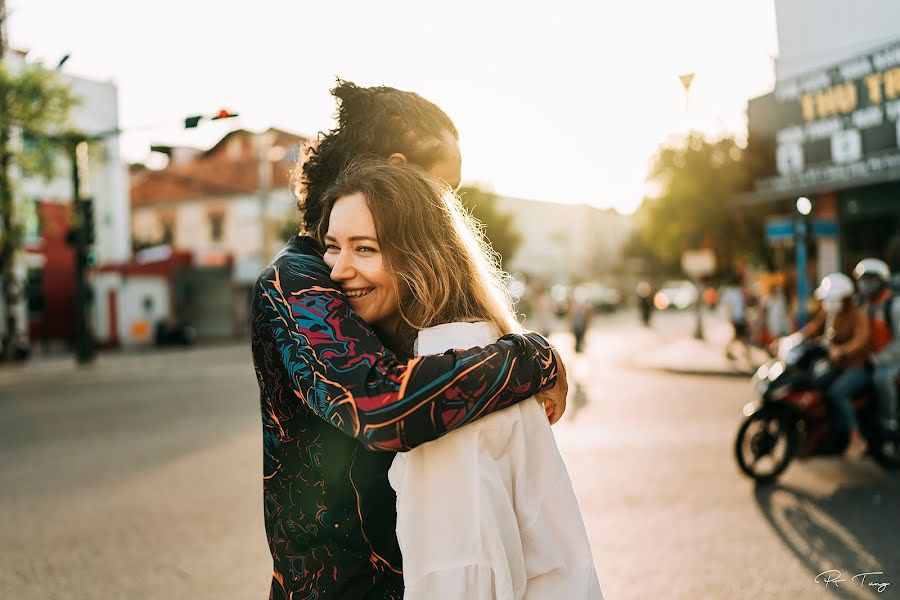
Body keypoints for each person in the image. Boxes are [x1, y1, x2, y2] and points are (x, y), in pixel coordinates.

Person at [251, 81, 568, 598]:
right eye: (443, 190)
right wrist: (533, 357)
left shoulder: (402, 288)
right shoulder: (297, 281)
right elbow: (377, 405)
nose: (448, 211)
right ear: (398, 171)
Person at [317, 158, 602, 599]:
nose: (337, 269)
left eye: (365, 248)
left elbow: (459, 578)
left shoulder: (447, 393)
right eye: (333, 245)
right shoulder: (486, 352)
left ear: (420, 260)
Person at [802, 273, 871, 460]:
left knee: (837, 393)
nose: (829, 303)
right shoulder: (830, 312)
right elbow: (813, 328)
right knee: (813, 383)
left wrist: (842, 350)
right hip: (835, 366)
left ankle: (856, 439)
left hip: (857, 368)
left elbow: (861, 340)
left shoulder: (858, 315)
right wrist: (793, 340)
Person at [853, 258, 900, 437]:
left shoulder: (894, 306)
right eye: (863, 280)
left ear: (882, 281)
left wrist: (877, 359)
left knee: (882, 378)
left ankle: (890, 424)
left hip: (892, 360)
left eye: (871, 280)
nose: (866, 285)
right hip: (872, 358)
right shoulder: (865, 306)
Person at [721, 276, 751, 363]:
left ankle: (729, 351)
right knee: (742, 335)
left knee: (738, 336)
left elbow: (742, 305)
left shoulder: (738, 292)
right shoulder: (731, 292)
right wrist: (730, 317)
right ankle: (746, 353)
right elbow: (728, 306)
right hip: (736, 317)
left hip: (740, 316)